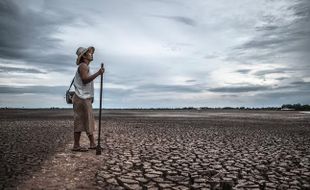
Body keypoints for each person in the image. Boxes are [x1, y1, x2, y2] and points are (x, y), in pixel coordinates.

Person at [72, 46, 104, 151]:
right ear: (84, 56)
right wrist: (98, 73)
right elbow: (85, 80)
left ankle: (91, 143)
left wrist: (91, 96)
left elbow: (86, 84)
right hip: (81, 97)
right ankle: (78, 145)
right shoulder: (83, 66)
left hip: (84, 97)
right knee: (82, 120)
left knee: (85, 120)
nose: (91, 54)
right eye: (89, 53)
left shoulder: (85, 66)